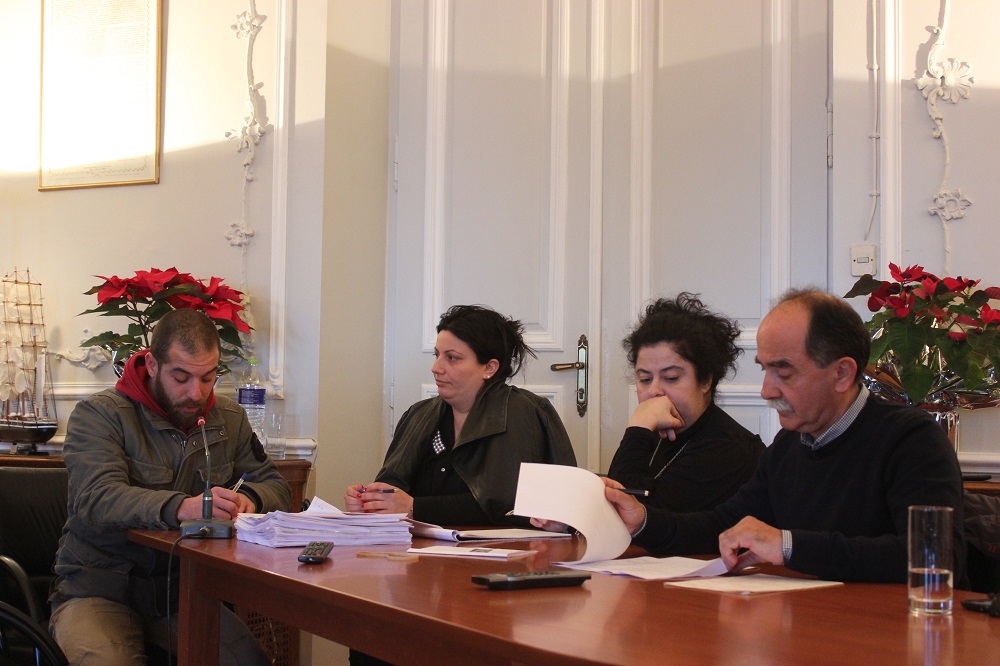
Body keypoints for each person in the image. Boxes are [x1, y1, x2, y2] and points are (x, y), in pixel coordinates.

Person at [538, 289, 967, 584]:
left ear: (842, 373)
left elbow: (931, 555)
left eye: (784, 372)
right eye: (765, 370)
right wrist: (643, 520)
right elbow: (721, 525)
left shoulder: (911, 439)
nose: (766, 391)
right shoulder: (789, 447)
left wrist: (789, 545)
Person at [50, 309, 290, 665]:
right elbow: (96, 498)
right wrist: (180, 507)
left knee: (250, 662)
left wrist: (248, 499)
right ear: (152, 364)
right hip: (99, 588)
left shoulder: (229, 419)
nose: (197, 393)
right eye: (181, 377)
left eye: (208, 378)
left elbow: (277, 487)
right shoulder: (100, 415)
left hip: (185, 591)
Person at [345, 304, 577, 525]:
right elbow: (393, 485)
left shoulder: (523, 412)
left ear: (489, 367)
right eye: (437, 355)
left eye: (452, 358)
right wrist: (370, 501)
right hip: (421, 546)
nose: (436, 368)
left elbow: (506, 504)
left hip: (504, 549)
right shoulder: (418, 414)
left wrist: (416, 507)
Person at [607, 294, 765, 511]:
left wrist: (638, 428)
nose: (654, 391)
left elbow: (630, 515)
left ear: (705, 380)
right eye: (645, 379)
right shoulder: (656, 429)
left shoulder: (729, 449)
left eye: (671, 378)